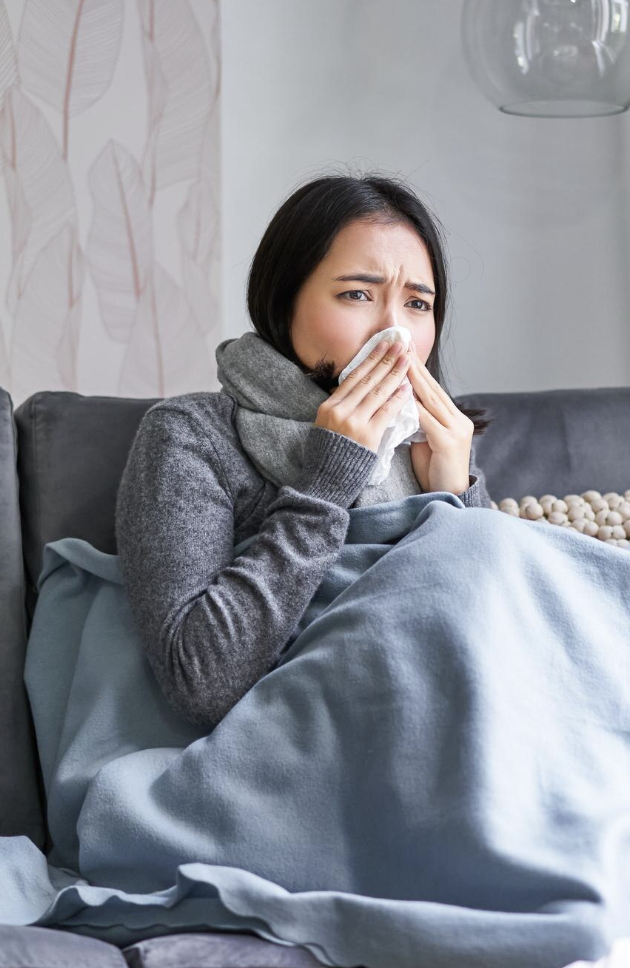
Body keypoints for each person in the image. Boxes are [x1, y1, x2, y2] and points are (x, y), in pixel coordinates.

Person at [115, 172, 494, 730]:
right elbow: (200, 681)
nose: (394, 334)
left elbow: (494, 642)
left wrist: (459, 500)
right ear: (284, 298)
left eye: (418, 303)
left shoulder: (432, 441)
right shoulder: (190, 435)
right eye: (357, 294)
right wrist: (327, 482)